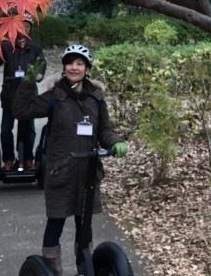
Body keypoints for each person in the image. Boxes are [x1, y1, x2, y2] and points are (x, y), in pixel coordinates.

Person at [13, 44, 129, 276]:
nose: (74, 67)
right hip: (61, 171)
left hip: (87, 172)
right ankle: (52, 270)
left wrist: (115, 142)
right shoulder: (55, 97)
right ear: (64, 67)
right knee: (55, 222)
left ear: (87, 69)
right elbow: (21, 111)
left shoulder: (96, 98)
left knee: (83, 225)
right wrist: (27, 83)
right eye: (70, 63)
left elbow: (104, 131)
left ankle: (83, 269)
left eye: (79, 63)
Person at [0, 16, 47, 170]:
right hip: (10, 94)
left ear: (30, 29)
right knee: (6, 129)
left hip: (28, 96)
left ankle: (28, 158)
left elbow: (41, 64)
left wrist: (39, 74)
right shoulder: (6, 45)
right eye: (21, 26)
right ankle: (8, 159)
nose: (24, 29)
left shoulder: (35, 47)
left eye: (27, 26)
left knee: (28, 129)